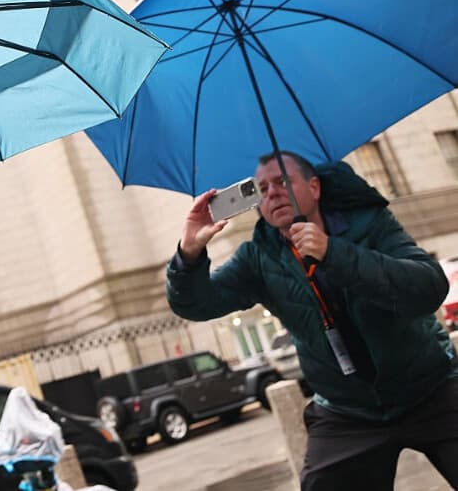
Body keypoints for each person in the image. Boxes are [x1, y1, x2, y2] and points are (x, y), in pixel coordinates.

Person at [166, 151, 457, 490]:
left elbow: (428, 287)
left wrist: (333, 252)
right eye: (261, 188)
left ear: (314, 187)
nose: (272, 193)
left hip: (431, 388)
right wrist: (189, 254)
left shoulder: (370, 223)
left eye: (282, 181)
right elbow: (196, 305)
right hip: (347, 413)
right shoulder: (258, 257)